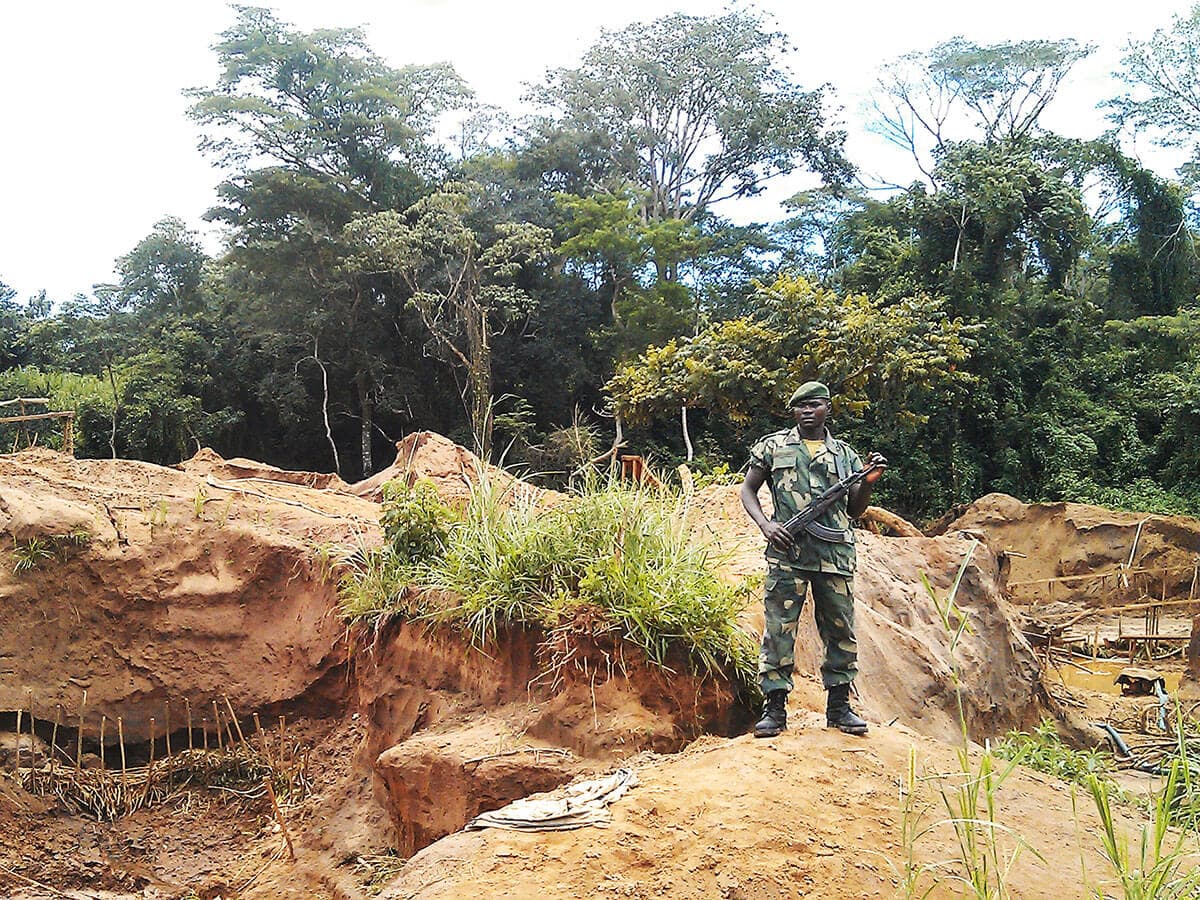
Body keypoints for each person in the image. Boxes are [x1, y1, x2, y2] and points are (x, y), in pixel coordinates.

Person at [739, 381, 885, 738]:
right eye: (800, 406)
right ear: (793, 411)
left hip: (834, 556)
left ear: (828, 409)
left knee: (840, 629)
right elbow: (748, 489)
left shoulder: (846, 456)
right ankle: (774, 710)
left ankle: (839, 708)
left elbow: (854, 509)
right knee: (779, 630)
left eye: (815, 405)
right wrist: (766, 525)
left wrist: (868, 482)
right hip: (787, 555)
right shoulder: (773, 446)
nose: (807, 411)